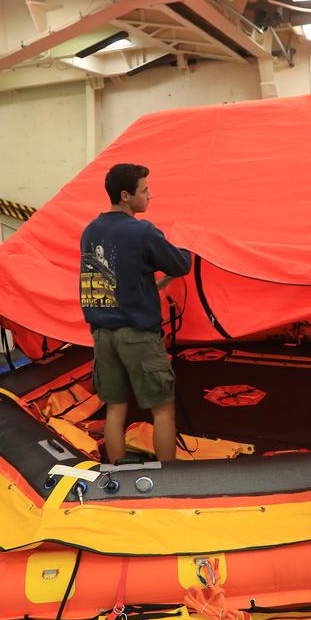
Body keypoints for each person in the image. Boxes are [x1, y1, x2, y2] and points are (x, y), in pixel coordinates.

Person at [79, 163, 191, 462]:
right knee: (163, 408)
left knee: (115, 408)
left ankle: (116, 474)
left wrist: (156, 283)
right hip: (138, 337)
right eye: (145, 190)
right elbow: (180, 264)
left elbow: (115, 279)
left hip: (103, 336)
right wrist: (189, 246)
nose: (150, 196)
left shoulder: (90, 231)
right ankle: (168, 479)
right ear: (126, 195)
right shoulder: (142, 231)